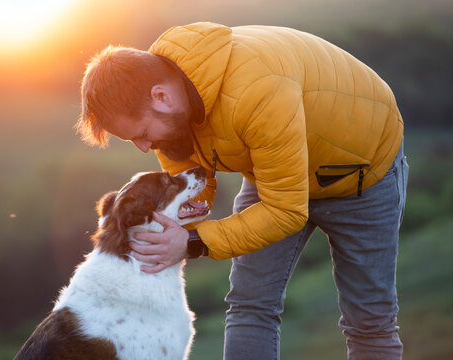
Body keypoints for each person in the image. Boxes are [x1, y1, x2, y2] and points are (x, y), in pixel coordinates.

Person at [76, 22, 408, 360]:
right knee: (249, 305)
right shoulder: (167, 102)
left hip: (361, 171)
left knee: (369, 321)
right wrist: (176, 218)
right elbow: (188, 180)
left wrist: (192, 241)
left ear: (160, 97)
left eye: (141, 133)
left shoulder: (256, 91)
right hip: (274, 169)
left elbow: (286, 211)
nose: (143, 148)